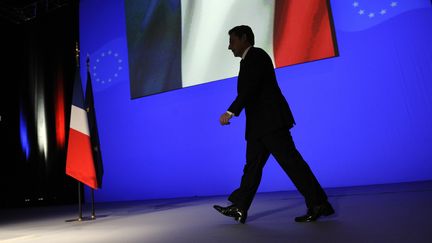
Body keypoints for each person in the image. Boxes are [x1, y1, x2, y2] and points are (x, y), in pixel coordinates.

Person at [213, 25, 334, 224]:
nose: (229, 47)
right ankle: (240, 208)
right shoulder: (247, 61)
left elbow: (250, 90)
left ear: (244, 38)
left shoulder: (257, 56)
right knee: (252, 168)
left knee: (292, 164)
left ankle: (318, 204)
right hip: (259, 127)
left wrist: (230, 111)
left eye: (232, 41)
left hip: (271, 123)